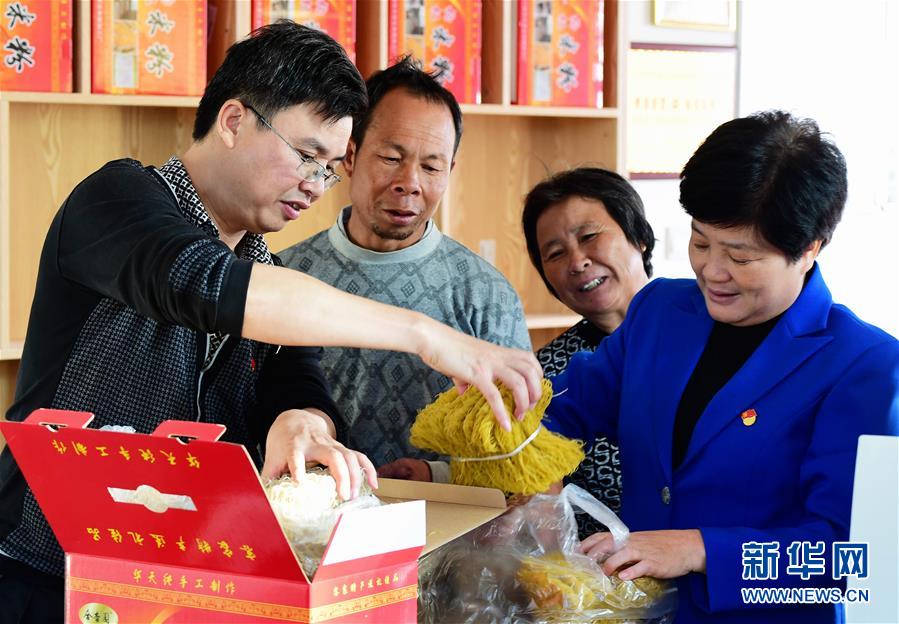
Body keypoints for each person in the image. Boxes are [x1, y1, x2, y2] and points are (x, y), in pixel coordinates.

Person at [0, 23, 542, 622]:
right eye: (307, 155)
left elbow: (297, 385)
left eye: (330, 166)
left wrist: (301, 424)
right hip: (49, 569)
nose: (316, 185)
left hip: (192, 581)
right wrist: (426, 334)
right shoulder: (115, 200)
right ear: (234, 120)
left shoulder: (265, 265)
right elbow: (205, 285)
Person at [543, 111, 899, 623]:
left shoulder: (863, 365)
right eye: (701, 241)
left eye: (741, 256)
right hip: (637, 613)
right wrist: (525, 451)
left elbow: (850, 559)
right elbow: (565, 408)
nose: (712, 271)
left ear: (809, 249)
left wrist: (700, 549)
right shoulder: (660, 311)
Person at [279, 57, 531, 478]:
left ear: (449, 172)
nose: (410, 182)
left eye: (431, 166)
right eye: (392, 157)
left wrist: (436, 475)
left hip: (449, 534)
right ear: (351, 155)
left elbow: (515, 454)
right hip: (309, 529)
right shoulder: (286, 275)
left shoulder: (484, 293)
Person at [522, 167, 654, 535]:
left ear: (639, 237)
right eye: (555, 253)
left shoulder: (703, 326)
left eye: (590, 237)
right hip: (598, 579)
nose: (577, 262)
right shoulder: (545, 374)